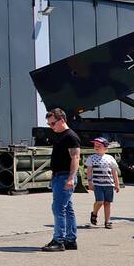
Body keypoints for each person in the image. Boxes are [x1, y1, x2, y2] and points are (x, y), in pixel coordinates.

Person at [42, 108, 81, 252]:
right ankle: (70, 239)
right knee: (67, 209)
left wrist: (71, 178)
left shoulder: (71, 136)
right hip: (59, 176)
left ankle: (59, 240)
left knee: (58, 208)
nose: (51, 127)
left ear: (62, 120)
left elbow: (75, 158)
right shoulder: (59, 135)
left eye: (52, 124)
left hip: (65, 176)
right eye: (49, 124)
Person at [85, 137, 120, 230]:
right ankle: (94, 213)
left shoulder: (110, 158)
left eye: (99, 145)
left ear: (105, 148)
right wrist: (89, 182)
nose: (96, 147)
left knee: (107, 203)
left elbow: (114, 171)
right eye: (95, 145)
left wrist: (117, 184)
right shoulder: (91, 158)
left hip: (109, 184)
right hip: (98, 184)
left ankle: (107, 221)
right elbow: (89, 171)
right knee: (100, 201)